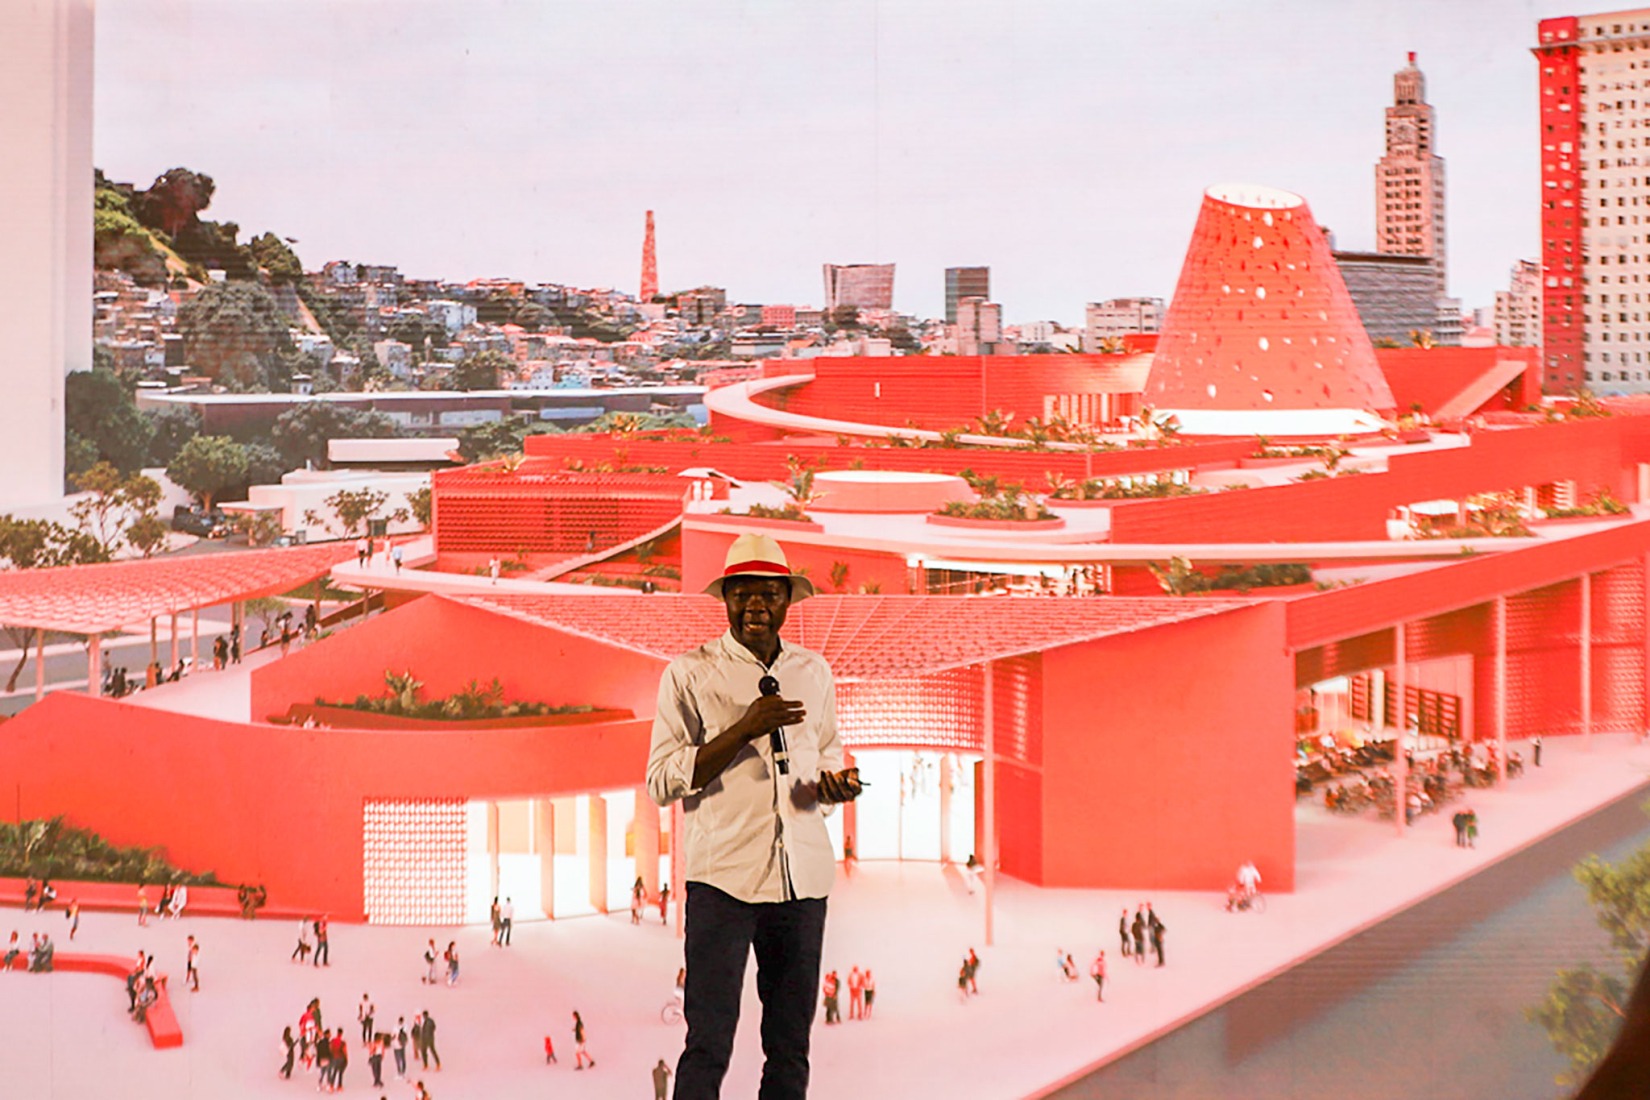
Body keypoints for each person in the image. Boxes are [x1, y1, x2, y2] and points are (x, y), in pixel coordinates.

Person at [645, 533, 864, 1098]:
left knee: (790, 1049)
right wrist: (743, 729)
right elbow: (661, 780)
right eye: (742, 594)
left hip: (803, 882)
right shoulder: (689, 674)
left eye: (769, 593)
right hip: (723, 883)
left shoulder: (815, 673)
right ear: (725, 599)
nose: (756, 606)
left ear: (788, 600)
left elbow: (824, 762)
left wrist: (834, 788)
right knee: (709, 1045)